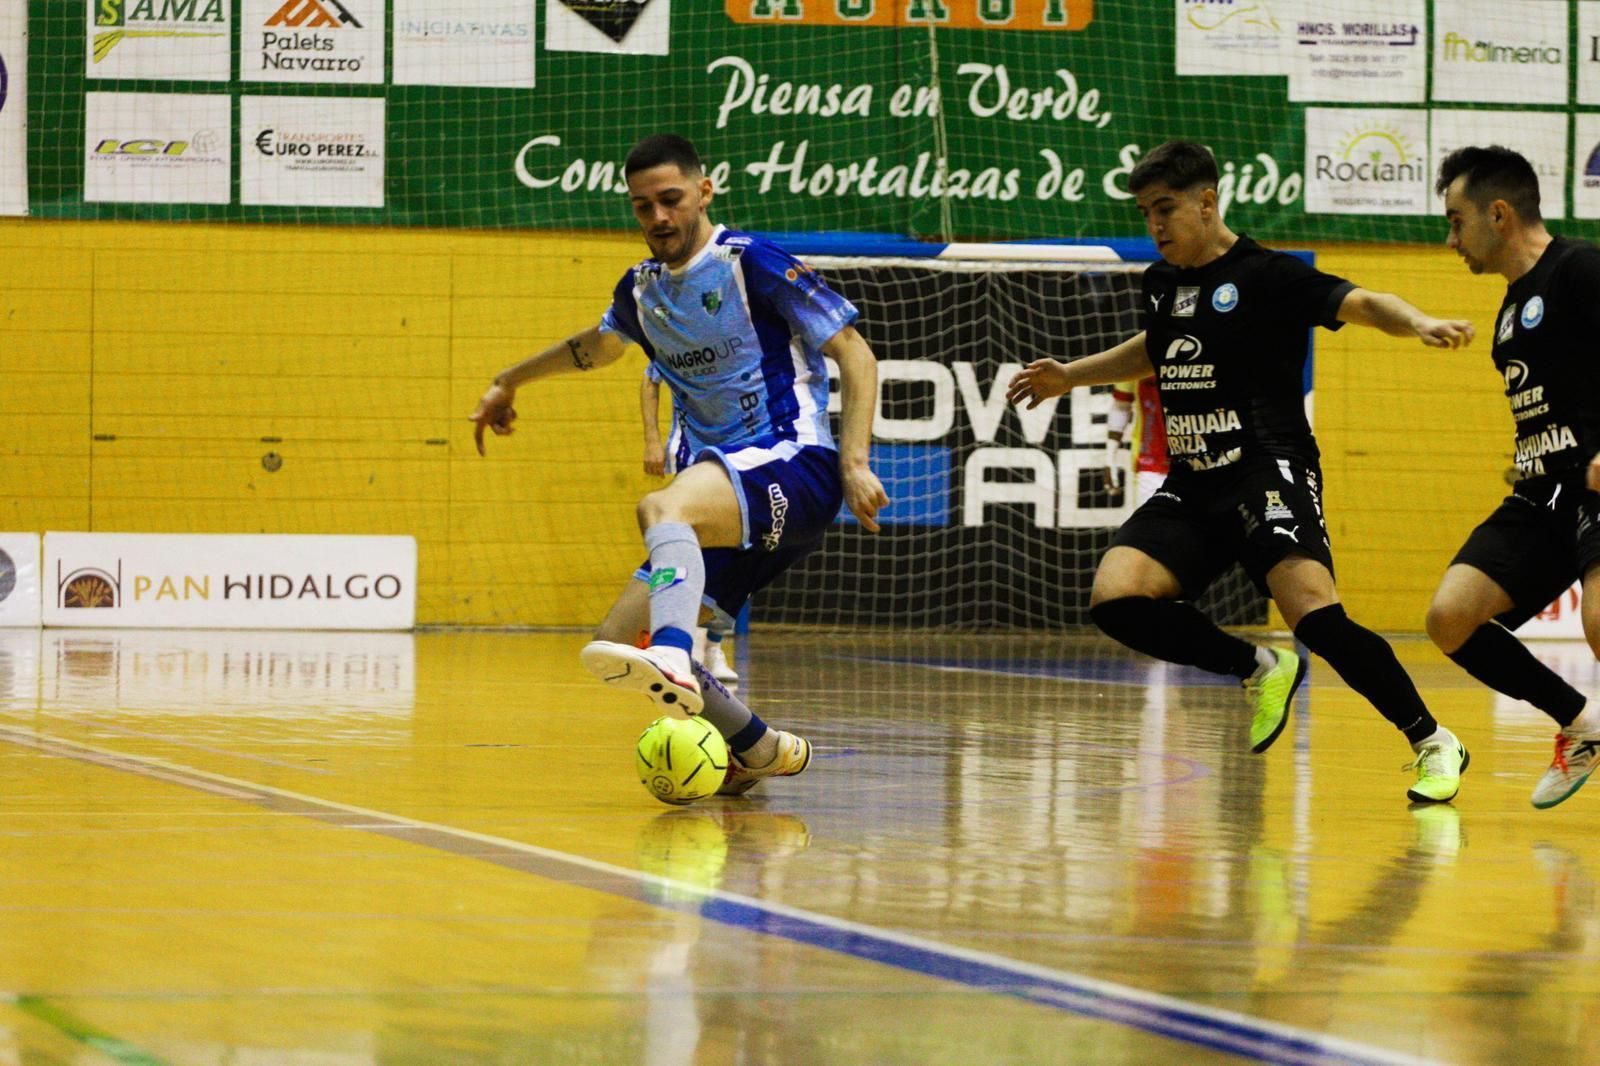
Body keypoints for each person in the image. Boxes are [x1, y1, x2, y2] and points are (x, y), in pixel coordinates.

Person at [1007, 140, 1477, 803]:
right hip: (1194, 479)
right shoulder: (1161, 282)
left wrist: (1419, 321)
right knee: (1116, 598)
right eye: (1146, 213)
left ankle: (1433, 740)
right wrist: (1069, 376)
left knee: (1315, 617)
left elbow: (1365, 303)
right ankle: (1257, 665)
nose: (1155, 225)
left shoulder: (1268, 275)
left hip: (1266, 467)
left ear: (1207, 202)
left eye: (1165, 208)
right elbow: (1156, 349)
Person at [471, 133, 887, 795]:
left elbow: (855, 352)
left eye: (671, 199)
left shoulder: (750, 261)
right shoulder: (641, 291)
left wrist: (856, 463)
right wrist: (508, 381)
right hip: (732, 499)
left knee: (662, 510)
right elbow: (596, 347)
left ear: (703, 191)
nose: (659, 217)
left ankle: (675, 647)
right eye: (644, 206)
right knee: (617, 641)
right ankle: (759, 747)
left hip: (793, 464)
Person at [1425, 145, 1600, 810]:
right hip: (1540, 492)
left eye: (1456, 221)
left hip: (1594, 486)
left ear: (1498, 214)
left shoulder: (1579, 269)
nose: (1451, 240)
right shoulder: (1508, 310)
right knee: (1450, 618)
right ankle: (1583, 724)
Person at [640, 361, 740, 686]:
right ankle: (686, 641)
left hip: (743, 452)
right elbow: (650, 381)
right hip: (693, 454)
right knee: (695, 550)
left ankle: (714, 646)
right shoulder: (675, 339)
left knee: (739, 556)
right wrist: (652, 439)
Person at [1106, 375, 1170, 505]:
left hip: (1202, 463)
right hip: (1150, 465)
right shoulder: (1134, 363)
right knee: (1151, 518)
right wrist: (1109, 457)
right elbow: (1122, 404)